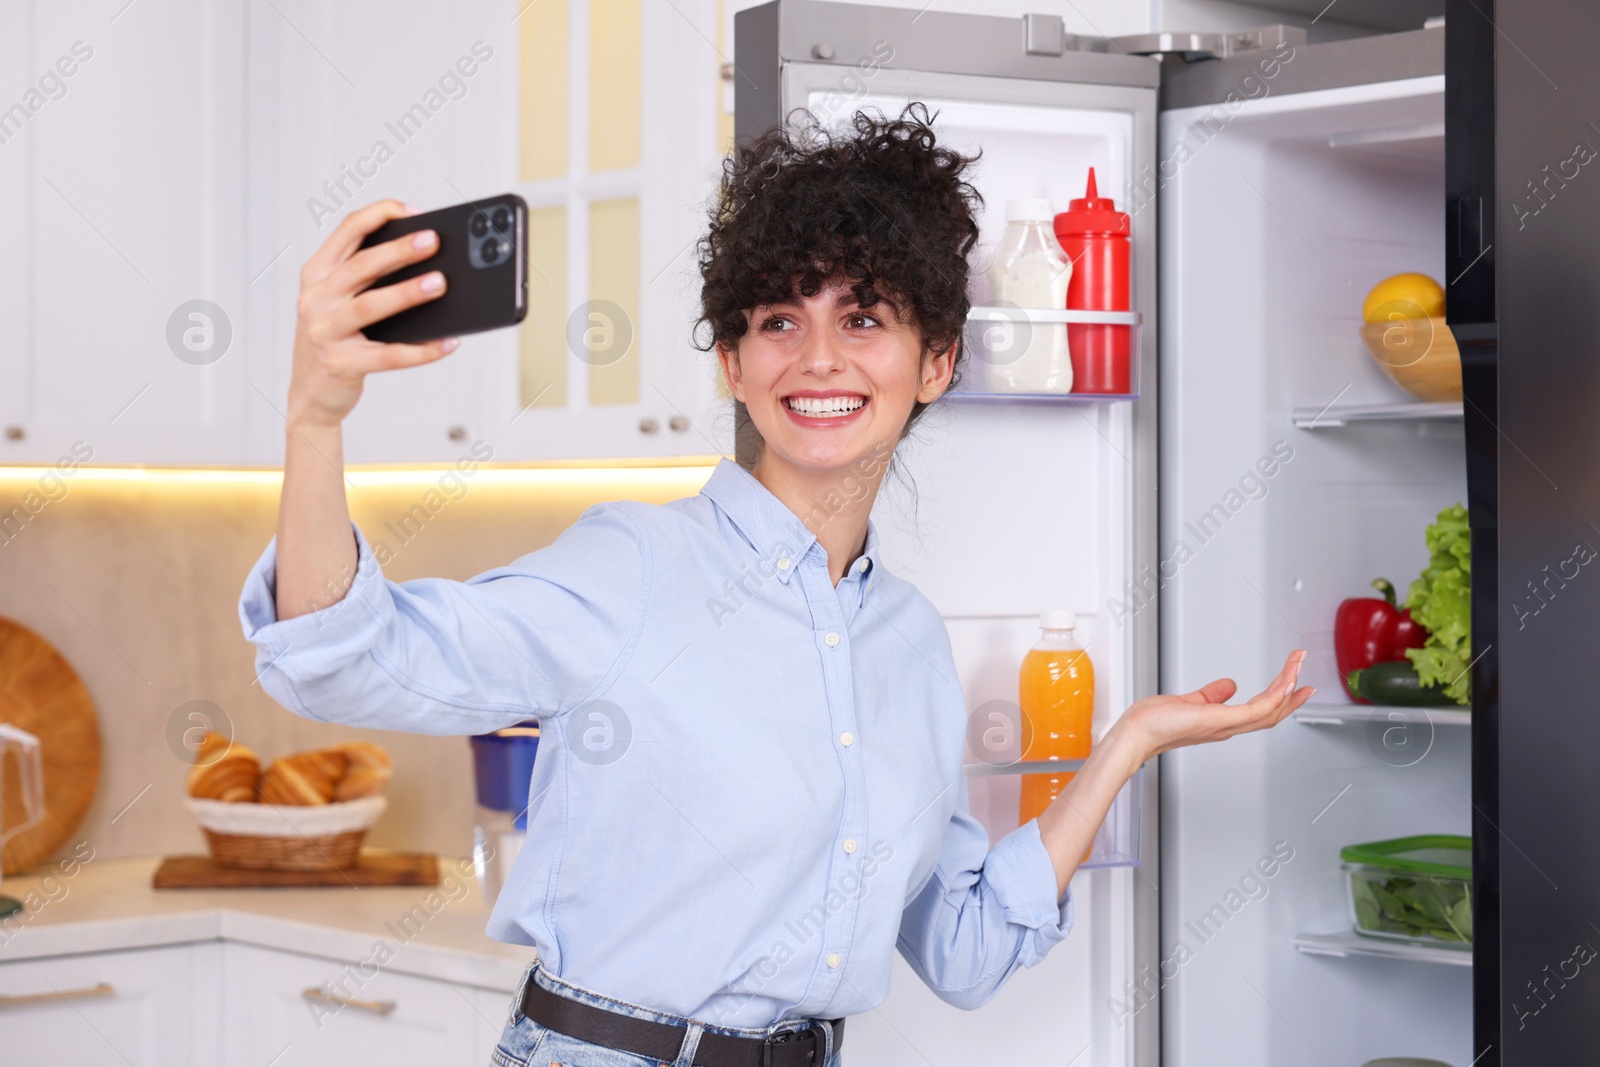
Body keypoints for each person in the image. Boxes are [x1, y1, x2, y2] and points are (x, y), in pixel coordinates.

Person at [238, 103, 1314, 1067]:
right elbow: (345, 659)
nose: (817, 359)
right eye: (777, 321)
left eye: (863, 318)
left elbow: (967, 945)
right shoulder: (634, 567)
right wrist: (315, 416)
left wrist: (1124, 743)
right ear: (734, 364)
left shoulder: (906, 642)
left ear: (935, 362)